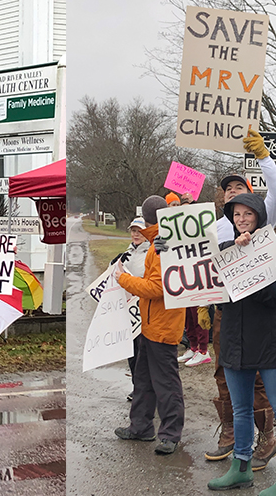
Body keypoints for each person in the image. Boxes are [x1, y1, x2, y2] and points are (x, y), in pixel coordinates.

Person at [207, 193, 276, 496]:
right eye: (236, 214)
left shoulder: (274, 249)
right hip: (235, 339)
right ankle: (241, 467)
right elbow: (215, 296)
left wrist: (251, 273)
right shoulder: (223, 250)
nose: (242, 219)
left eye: (248, 213)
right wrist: (234, 260)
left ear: (259, 216)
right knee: (240, 409)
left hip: (268, 340)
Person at [206, 129, 276, 468]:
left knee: (256, 376)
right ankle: (232, 434)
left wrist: (263, 156)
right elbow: (191, 258)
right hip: (224, 309)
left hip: (257, 310)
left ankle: (266, 437)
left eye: (239, 188)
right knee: (224, 371)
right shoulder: (217, 226)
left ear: (251, 199)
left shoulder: (263, 217)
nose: (234, 195)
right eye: (228, 190)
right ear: (223, 200)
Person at [113, 195, 186, 456]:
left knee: (165, 383)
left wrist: (124, 280)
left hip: (162, 326)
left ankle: (170, 433)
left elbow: (156, 287)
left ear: (145, 219)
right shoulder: (162, 240)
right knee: (143, 379)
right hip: (151, 324)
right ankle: (141, 426)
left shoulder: (161, 244)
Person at [166, 191, 214, 367]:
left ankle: (203, 350)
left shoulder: (202, 230)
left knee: (198, 315)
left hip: (199, 277)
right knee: (188, 316)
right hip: (182, 276)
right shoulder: (174, 230)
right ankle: (193, 347)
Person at [111, 216, 150, 402]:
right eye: (133, 230)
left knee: (144, 353)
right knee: (132, 353)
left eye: (139, 230)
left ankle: (146, 390)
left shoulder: (151, 252)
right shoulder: (128, 251)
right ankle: (137, 387)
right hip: (129, 312)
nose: (136, 234)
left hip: (145, 310)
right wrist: (115, 264)